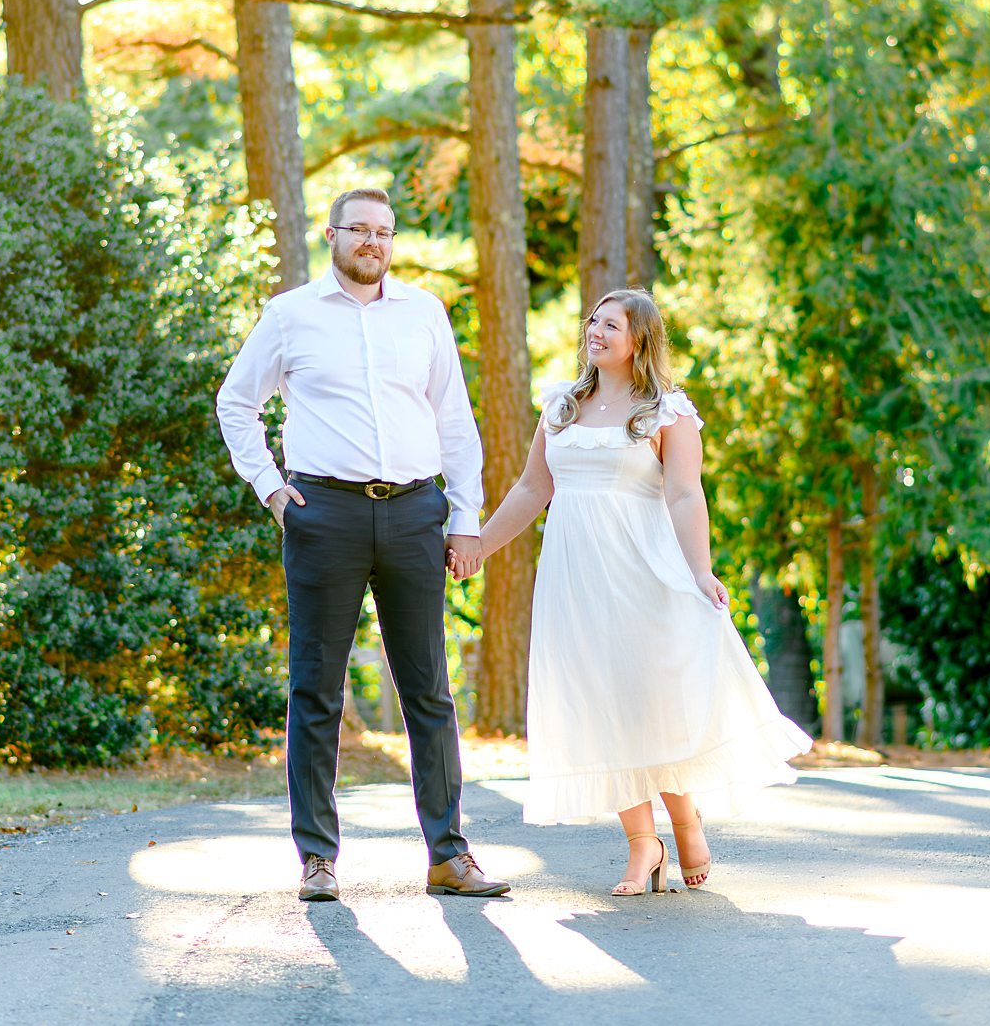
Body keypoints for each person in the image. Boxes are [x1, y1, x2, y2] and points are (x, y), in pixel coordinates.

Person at [216, 188, 509, 903]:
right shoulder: (291, 315)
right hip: (327, 515)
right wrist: (273, 491)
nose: (372, 242)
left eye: (384, 231)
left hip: (414, 512)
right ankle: (317, 857)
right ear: (333, 235)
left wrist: (465, 515)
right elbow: (236, 402)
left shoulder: (424, 314)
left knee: (429, 693)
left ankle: (449, 854)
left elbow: (455, 421)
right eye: (360, 230)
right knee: (316, 689)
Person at [473, 288, 813, 895]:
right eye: (593, 321)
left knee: (651, 701)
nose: (595, 331)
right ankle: (641, 846)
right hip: (574, 580)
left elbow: (686, 495)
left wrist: (700, 570)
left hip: (644, 575)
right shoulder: (560, 408)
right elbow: (531, 490)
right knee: (599, 702)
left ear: (640, 340)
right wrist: (477, 546)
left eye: (611, 324)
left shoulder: (668, 413)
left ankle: (685, 820)